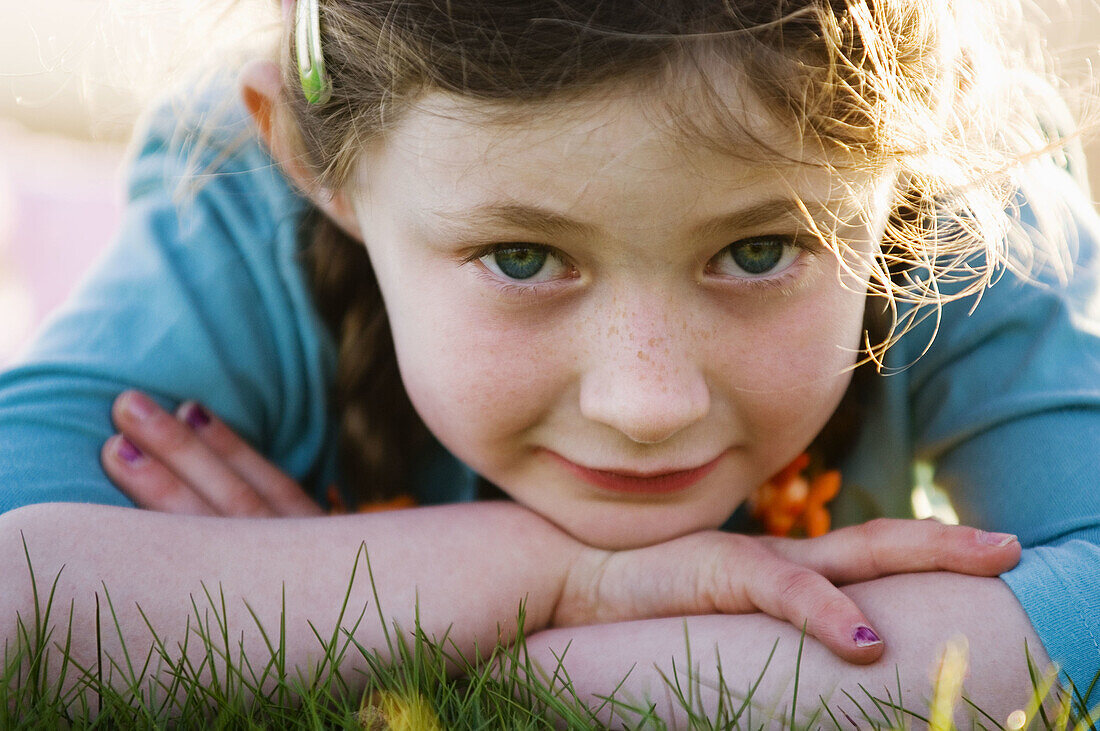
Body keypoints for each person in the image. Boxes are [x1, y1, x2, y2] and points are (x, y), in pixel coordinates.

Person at [1, 0, 1098, 721]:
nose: (645, 402)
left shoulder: (955, 199)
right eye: (521, 257)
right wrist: (557, 577)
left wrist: (356, 621)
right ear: (312, 159)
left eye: (757, 251)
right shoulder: (237, 200)